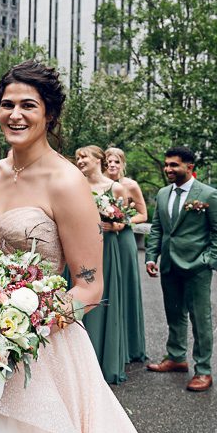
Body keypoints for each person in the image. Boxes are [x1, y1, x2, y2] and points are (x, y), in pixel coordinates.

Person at [0, 60, 154, 433]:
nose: (15, 114)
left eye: (28, 105)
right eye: (7, 104)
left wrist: (22, 332)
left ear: (49, 113)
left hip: (41, 349)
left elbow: (90, 286)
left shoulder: (66, 182)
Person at [145, 146, 217, 392]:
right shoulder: (163, 194)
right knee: (174, 313)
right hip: (169, 266)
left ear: (190, 167)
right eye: (166, 164)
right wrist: (152, 257)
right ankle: (176, 357)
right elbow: (158, 229)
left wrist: (208, 262)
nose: (168, 169)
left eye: (174, 165)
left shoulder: (209, 195)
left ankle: (203, 370)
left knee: (200, 320)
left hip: (197, 267)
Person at [74, 145, 129, 384]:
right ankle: (77, 365)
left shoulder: (115, 187)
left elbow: (123, 220)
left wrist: (113, 225)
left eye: (84, 156)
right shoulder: (76, 186)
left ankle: (103, 360)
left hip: (106, 248)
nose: (79, 161)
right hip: (79, 247)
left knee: (104, 300)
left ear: (99, 159)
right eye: (77, 158)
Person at [105, 147, 148, 363]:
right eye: (109, 161)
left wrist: (125, 221)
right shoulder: (98, 185)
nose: (112, 165)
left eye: (116, 162)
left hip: (124, 239)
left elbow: (143, 213)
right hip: (104, 238)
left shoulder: (130, 185)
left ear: (123, 164)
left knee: (125, 286)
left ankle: (129, 345)